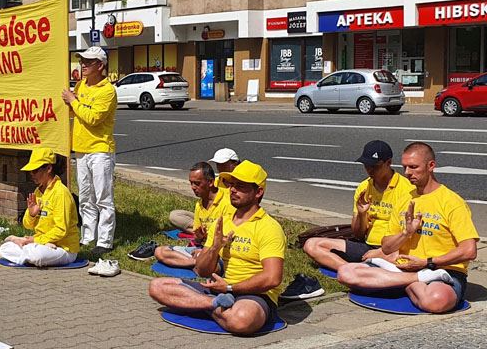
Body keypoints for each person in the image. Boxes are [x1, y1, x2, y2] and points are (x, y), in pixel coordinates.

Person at [337, 143, 479, 313]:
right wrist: (406, 233)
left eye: (413, 167)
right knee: (345, 273)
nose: (407, 172)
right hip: (404, 268)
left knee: (436, 301)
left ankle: (399, 283)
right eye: (404, 167)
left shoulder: (452, 202)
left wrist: (427, 262)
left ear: (431, 166)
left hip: (442, 270)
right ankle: (416, 280)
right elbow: (387, 247)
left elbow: (469, 251)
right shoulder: (405, 199)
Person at [148, 160, 286, 335]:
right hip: (219, 290)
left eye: (240, 186)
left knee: (242, 320)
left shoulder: (269, 227)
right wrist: (214, 247)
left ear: (258, 192)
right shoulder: (223, 222)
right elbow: (202, 270)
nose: (233, 190)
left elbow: (272, 278)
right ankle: (213, 304)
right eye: (232, 185)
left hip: (254, 294)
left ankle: (199, 304)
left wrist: (230, 288)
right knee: (156, 286)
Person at [304, 141, 416, 271]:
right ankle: (353, 270)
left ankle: (363, 270)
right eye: (367, 165)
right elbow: (358, 234)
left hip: (393, 249)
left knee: (403, 257)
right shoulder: (364, 187)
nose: (370, 170)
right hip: (367, 247)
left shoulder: (407, 189)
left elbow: (409, 234)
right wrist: (362, 214)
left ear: (388, 163)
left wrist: (381, 252)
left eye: (375, 166)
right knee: (311, 245)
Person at [61, 46, 117, 256]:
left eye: (88, 62)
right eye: (82, 61)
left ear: (100, 65)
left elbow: (93, 118)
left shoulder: (107, 91)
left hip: (100, 149)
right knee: (85, 197)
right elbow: (75, 112)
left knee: (103, 197)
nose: (83, 65)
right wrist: (70, 104)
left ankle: (104, 241)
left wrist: (73, 101)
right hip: (81, 149)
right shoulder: (81, 84)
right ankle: (87, 237)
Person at [0, 148, 80, 267]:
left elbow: (61, 230)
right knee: (5, 248)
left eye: (35, 170)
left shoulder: (61, 193)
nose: (32, 174)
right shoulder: (38, 192)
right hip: (41, 243)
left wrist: (34, 241)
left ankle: (27, 250)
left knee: (37, 255)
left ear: (48, 168)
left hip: (63, 248)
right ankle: (28, 251)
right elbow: (27, 225)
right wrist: (32, 214)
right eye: (30, 171)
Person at [143, 162, 228, 268]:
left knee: (209, 262)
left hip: (216, 252)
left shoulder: (226, 201)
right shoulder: (199, 205)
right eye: (191, 183)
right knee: (159, 251)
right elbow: (197, 239)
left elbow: (227, 238)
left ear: (210, 182)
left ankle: (198, 264)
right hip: (200, 250)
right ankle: (196, 263)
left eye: (197, 183)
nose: (193, 187)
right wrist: (199, 237)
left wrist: (206, 251)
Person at [170, 149, 240, 232]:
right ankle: (203, 230)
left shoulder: (242, 182)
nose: (220, 167)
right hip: (209, 216)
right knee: (175, 215)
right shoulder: (216, 182)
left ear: (235, 163)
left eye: (223, 164)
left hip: (231, 217)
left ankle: (207, 230)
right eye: (218, 164)